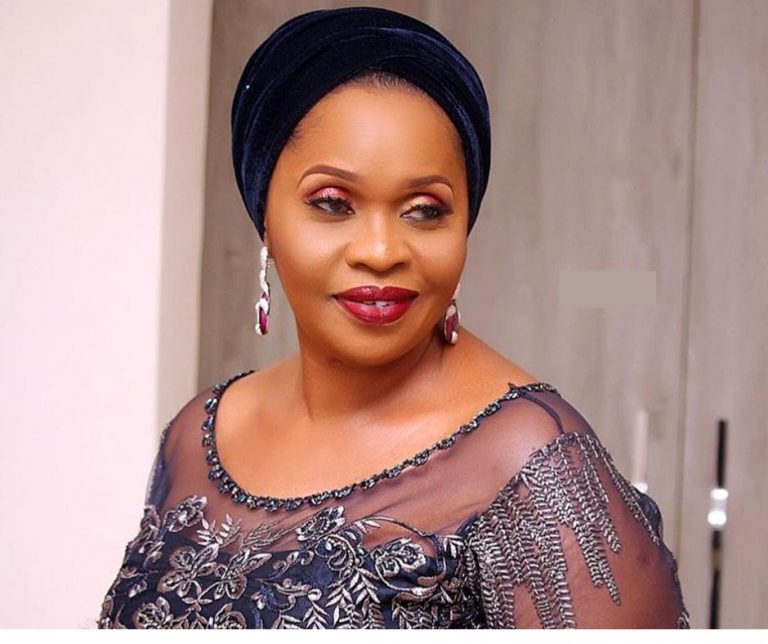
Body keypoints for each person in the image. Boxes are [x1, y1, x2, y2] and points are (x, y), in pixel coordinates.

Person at [99, 6, 690, 629]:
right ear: (264, 215)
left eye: (424, 210)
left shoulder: (535, 469)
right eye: (333, 203)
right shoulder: (198, 434)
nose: (381, 252)